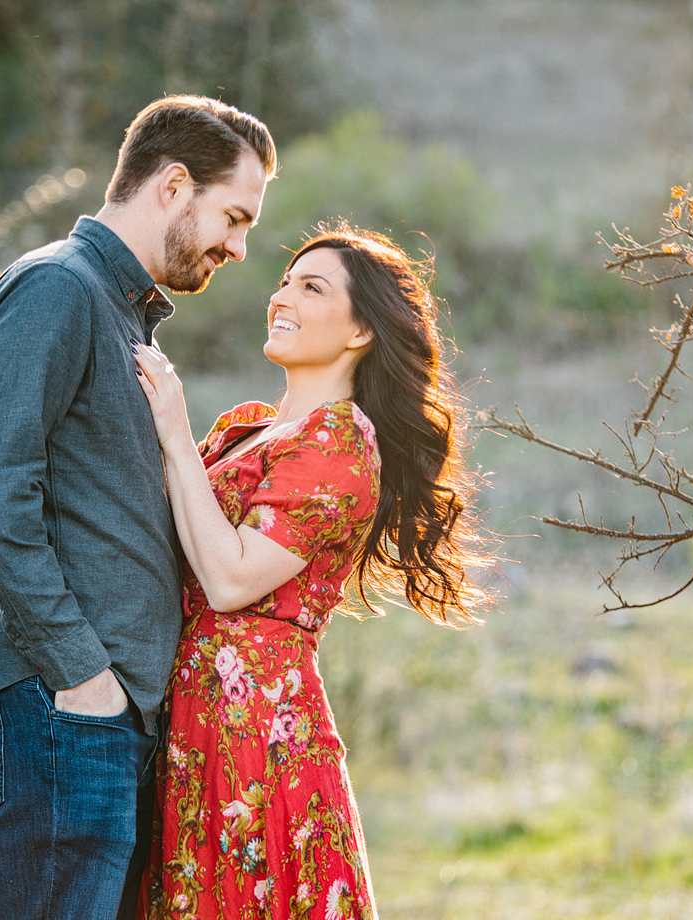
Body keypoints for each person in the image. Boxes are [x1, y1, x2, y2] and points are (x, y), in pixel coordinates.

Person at [0, 95, 274, 919]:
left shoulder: (127, 318)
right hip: (56, 705)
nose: (236, 245)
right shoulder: (58, 288)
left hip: (103, 716)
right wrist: (83, 675)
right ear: (172, 184)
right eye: (233, 217)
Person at [129, 222, 485, 919]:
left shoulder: (341, 442)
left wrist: (173, 432)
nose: (281, 296)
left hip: (260, 732)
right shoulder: (251, 428)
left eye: (312, 286)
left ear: (359, 332)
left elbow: (230, 580)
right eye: (285, 280)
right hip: (191, 724)